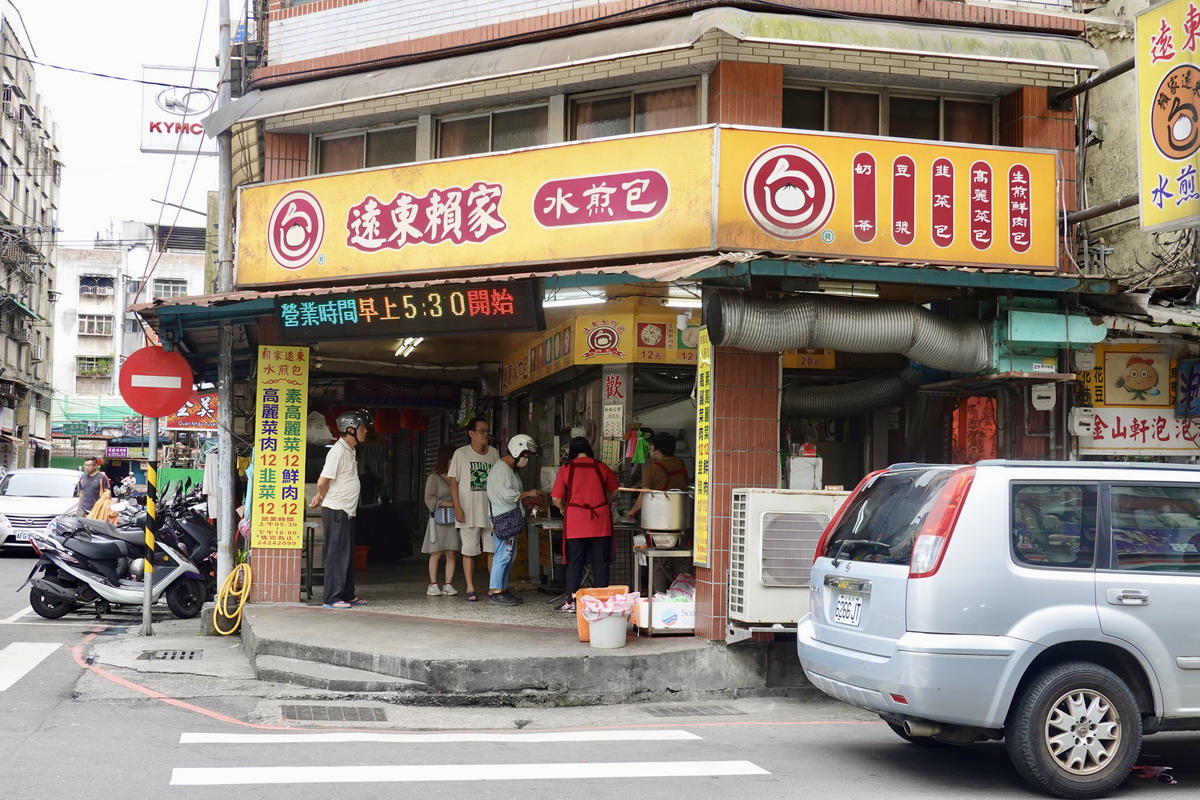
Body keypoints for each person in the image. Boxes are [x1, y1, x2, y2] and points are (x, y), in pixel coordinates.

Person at [309, 411, 369, 610]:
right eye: (362, 428)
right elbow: (323, 481)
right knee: (337, 554)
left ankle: (347, 594)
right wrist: (321, 494)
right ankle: (332, 598)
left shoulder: (350, 450)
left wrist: (321, 495)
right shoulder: (338, 451)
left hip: (346, 510)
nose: (365, 431)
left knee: (347, 553)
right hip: (337, 510)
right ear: (350, 429)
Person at [552, 437, 619, 612]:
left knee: (575, 562)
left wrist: (563, 509)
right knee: (600, 562)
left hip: (576, 520)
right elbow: (615, 490)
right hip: (600, 520)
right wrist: (606, 501)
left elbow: (556, 498)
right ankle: (602, 602)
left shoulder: (565, 469)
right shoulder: (601, 466)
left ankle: (572, 602)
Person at [486, 433, 542, 606]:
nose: (526, 459)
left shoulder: (510, 469)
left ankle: (501, 588)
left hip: (510, 517)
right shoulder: (501, 469)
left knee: (508, 555)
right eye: (525, 455)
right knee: (503, 555)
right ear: (517, 451)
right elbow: (508, 495)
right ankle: (496, 591)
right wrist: (529, 494)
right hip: (505, 518)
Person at [448, 417, 500, 602]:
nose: (486, 434)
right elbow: (453, 482)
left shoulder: (494, 453)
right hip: (468, 510)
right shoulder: (460, 454)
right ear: (471, 433)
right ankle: (470, 588)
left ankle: (494, 586)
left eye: (487, 431)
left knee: (493, 550)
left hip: (491, 510)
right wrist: (458, 507)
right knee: (469, 551)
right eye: (482, 431)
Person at [422, 444, 460, 597]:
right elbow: (429, 498)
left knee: (451, 552)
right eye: (453, 458)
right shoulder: (434, 477)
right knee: (436, 552)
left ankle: (448, 584)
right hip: (438, 519)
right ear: (446, 458)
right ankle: (433, 584)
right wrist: (450, 504)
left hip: (454, 519)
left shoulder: (457, 476)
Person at [626, 432, 689, 520]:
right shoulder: (681, 463)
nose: (650, 449)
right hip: (680, 515)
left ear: (657, 450)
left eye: (652, 446)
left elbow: (644, 494)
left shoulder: (653, 467)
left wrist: (632, 511)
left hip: (660, 516)